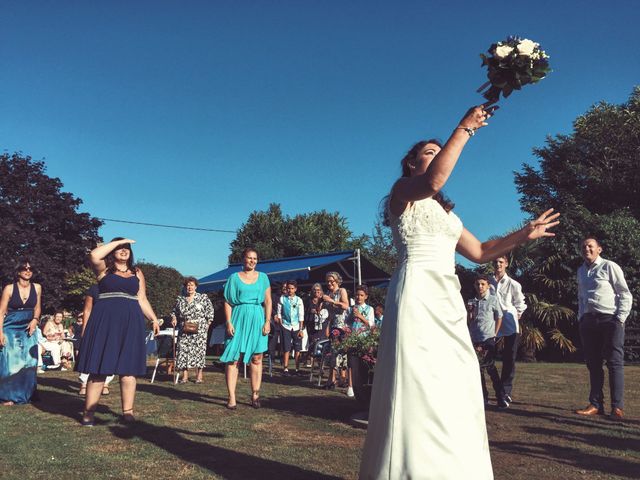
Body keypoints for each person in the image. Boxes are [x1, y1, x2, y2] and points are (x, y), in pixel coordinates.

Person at [359, 104, 560, 479]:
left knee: (459, 376)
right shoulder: (402, 193)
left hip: (447, 296)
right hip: (416, 290)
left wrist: (524, 233)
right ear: (412, 164)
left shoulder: (449, 215)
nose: (437, 156)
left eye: (439, 151)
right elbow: (433, 182)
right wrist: (465, 128)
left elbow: (482, 252)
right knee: (416, 380)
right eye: (429, 153)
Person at [76, 238, 160, 426]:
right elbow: (94, 254)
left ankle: (128, 412)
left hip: (131, 322)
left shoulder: (137, 272)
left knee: (129, 369)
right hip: (106, 322)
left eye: (126, 249)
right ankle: (89, 412)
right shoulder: (104, 268)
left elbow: (142, 299)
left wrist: (153, 319)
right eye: (119, 248)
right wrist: (119, 241)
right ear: (112, 251)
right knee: (99, 368)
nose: (123, 251)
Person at [575, 237, 632, 420]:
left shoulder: (609, 266)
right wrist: (581, 317)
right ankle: (596, 404)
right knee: (593, 363)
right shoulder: (581, 271)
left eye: (590, 246)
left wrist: (620, 319)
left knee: (614, 363)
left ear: (599, 249)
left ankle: (617, 408)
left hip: (610, 320)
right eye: (583, 247)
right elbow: (581, 297)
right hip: (588, 321)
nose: (587, 249)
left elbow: (624, 293)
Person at [220, 248, 271, 409]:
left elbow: (268, 301)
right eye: (249, 258)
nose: (252, 261)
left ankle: (255, 395)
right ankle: (232, 397)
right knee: (233, 358)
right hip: (238, 317)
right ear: (243, 259)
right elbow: (227, 301)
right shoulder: (234, 278)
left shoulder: (263, 278)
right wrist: (228, 322)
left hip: (257, 317)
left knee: (257, 357)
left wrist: (267, 321)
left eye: (255, 258)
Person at [0, 259, 42, 405]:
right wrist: (0, 333)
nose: (28, 271)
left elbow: (37, 307)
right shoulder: (9, 288)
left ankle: (27, 393)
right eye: (24, 268)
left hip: (29, 324)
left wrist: (35, 320)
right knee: (11, 361)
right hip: (10, 326)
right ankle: (9, 396)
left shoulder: (37, 287)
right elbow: (1, 311)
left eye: (30, 268)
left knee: (30, 360)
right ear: (18, 271)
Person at [489, 255, 527, 403]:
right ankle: (494, 390)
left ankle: (506, 391)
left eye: (501, 262)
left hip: (510, 325)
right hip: (492, 324)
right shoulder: (488, 282)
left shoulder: (513, 284)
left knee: (509, 358)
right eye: (495, 262)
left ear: (506, 264)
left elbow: (520, 303)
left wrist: (516, 315)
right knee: (488, 357)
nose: (498, 264)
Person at [468, 275, 507, 408]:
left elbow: (499, 317)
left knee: (490, 367)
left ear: (488, 286)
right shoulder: (471, 302)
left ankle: (501, 397)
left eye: (483, 284)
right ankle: (483, 397)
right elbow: (469, 320)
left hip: (488, 338)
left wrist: (495, 334)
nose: (480, 287)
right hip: (474, 338)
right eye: (478, 284)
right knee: (477, 370)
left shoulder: (492, 300)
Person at [171, 276, 215, 384]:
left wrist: (207, 326)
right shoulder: (180, 299)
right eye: (187, 285)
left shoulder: (203, 298)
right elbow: (174, 312)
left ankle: (199, 376)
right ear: (185, 287)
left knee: (199, 352)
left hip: (199, 330)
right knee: (183, 351)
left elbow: (210, 313)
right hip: (184, 329)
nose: (189, 287)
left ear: (196, 286)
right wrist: (174, 318)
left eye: (192, 285)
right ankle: (184, 376)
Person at [77, 285, 114, 396]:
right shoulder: (95, 288)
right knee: (89, 354)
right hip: (95, 326)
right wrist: (84, 330)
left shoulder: (118, 289)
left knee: (109, 355)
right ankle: (83, 383)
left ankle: (106, 383)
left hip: (111, 327)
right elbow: (87, 310)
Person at [345, 284, 375, 397]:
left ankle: (364, 389)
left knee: (363, 366)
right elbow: (346, 323)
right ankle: (352, 387)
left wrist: (361, 316)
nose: (359, 297)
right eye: (357, 295)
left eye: (361, 295)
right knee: (353, 365)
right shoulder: (350, 309)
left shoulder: (369, 309)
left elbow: (371, 325)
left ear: (365, 296)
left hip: (364, 341)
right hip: (352, 340)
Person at [322, 272, 349, 390]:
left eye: (331, 281)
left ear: (337, 281)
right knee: (333, 353)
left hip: (343, 326)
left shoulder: (341, 291)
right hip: (333, 325)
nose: (329, 283)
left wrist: (332, 301)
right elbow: (330, 313)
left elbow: (345, 306)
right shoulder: (328, 293)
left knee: (342, 353)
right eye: (327, 281)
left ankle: (342, 379)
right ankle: (331, 380)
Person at [276, 280, 305, 376]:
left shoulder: (299, 300)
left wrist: (300, 329)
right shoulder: (282, 299)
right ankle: (286, 368)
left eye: (292, 288)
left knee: (297, 348)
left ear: (295, 289)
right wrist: (281, 325)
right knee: (286, 347)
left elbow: (301, 315)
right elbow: (279, 313)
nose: (290, 290)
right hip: (286, 326)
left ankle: (297, 368)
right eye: (288, 288)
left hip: (296, 326)